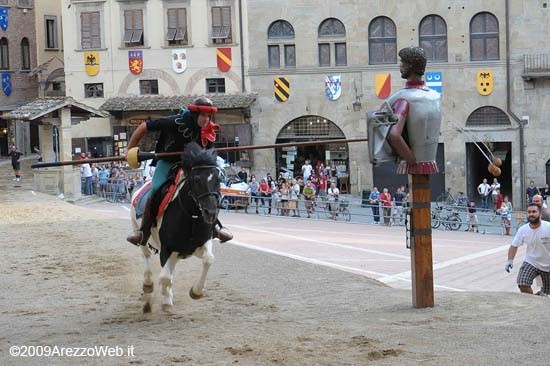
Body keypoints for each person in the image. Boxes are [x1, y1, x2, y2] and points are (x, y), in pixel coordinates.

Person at [125, 97, 232, 246]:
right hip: (168, 162)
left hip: (193, 166)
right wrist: (130, 148)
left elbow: (207, 155)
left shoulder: (208, 130)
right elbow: (144, 126)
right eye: (203, 116)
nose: (206, 120)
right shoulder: (174, 122)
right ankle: (144, 231)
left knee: (207, 188)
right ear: (195, 114)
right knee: (156, 188)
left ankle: (214, 226)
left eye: (209, 116)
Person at [386, 46, 440, 175]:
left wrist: (410, 159)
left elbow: (394, 135)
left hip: (414, 164)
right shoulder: (435, 96)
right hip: (430, 159)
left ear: (410, 66)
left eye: (402, 62)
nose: (400, 66)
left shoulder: (403, 98)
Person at [505, 203, 550, 296]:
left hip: (548, 265)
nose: (531, 214)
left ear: (540, 214)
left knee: (546, 294)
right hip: (531, 262)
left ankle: (540, 296)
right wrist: (510, 260)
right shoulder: (523, 230)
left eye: (534, 212)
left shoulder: (548, 227)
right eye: (529, 212)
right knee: (522, 283)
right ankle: (533, 300)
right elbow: (514, 245)